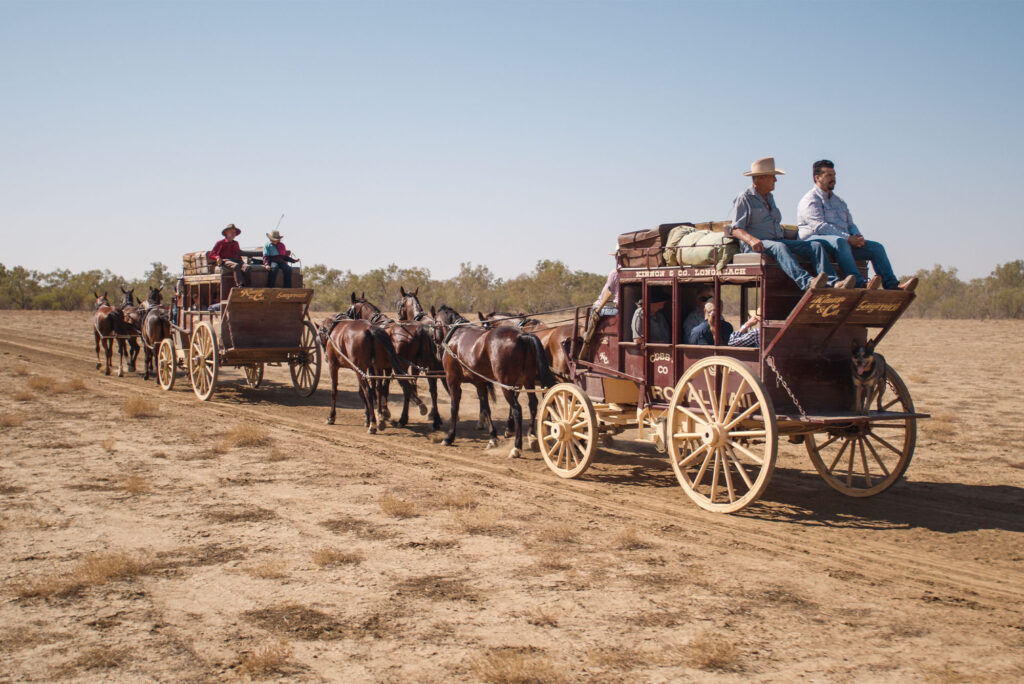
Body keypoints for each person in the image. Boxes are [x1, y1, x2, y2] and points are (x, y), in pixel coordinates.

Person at [726, 157, 854, 291]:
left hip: (776, 240)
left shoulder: (770, 197)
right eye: (773, 177)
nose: (776, 180)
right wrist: (752, 240)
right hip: (757, 245)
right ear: (761, 178)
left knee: (815, 246)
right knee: (779, 247)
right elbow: (735, 229)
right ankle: (806, 282)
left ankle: (833, 282)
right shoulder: (745, 198)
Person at [797, 160, 917, 291]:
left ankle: (892, 285)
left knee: (876, 248)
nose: (833, 179)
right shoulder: (810, 199)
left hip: (841, 242)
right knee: (840, 241)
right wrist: (848, 238)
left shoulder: (839, 201)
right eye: (829, 175)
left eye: (834, 175)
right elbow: (819, 227)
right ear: (817, 177)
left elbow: (850, 224)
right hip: (816, 241)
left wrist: (857, 237)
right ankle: (859, 283)